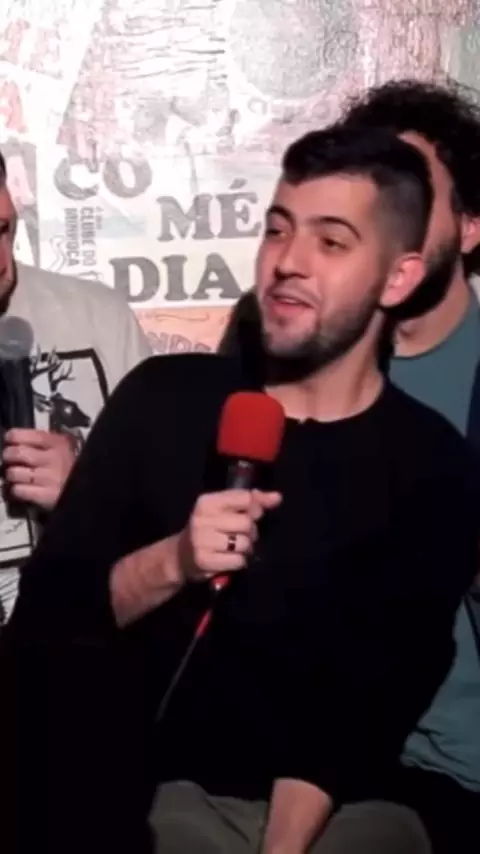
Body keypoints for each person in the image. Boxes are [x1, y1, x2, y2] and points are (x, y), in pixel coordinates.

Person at [5, 126, 478, 854]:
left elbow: (363, 703)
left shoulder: (429, 462)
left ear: (398, 278)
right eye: (278, 229)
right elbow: (45, 626)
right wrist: (173, 561)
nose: (288, 261)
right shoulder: (163, 398)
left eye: (332, 241)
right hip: (130, 800)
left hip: (332, 812)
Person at [219, 80, 480, 854]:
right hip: (282, 763)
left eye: (410, 182)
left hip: (452, 776)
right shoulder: (279, 346)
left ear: (469, 226)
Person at [0, 149, 152, 623]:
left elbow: (167, 500)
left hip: (85, 634)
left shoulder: (98, 316)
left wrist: (84, 491)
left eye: (1, 230)